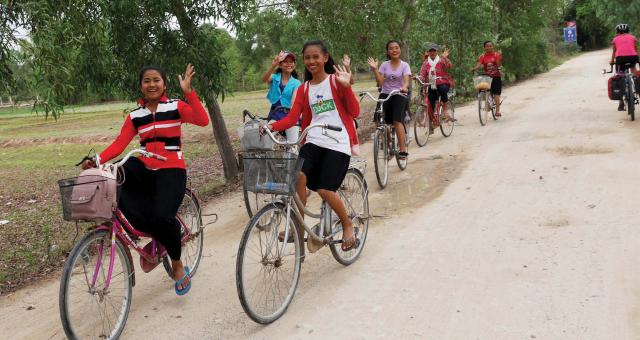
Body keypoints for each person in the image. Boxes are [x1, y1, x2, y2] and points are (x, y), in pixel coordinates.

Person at [82, 64, 209, 295]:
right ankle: (153, 234)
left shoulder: (176, 106)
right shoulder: (135, 115)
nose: (152, 84)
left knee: (162, 216)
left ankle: (178, 265)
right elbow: (120, 143)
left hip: (172, 168)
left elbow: (202, 120)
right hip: (146, 167)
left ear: (164, 84)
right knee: (119, 171)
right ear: (141, 86)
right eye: (147, 81)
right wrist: (97, 159)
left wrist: (189, 92)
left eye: (156, 80)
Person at [266, 40, 361, 251]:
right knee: (297, 176)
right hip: (314, 140)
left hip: (338, 142)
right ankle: (298, 227)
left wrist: (346, 89)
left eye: (316, 56)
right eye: (307, 57)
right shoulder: (304, 89)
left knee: (325, 190)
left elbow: (355, 112)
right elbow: (292, 118)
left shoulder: (336, 82)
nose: (311, 61)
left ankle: (347, 224)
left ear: (325, 58)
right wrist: (271, 126)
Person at [367, 40, 411, 159]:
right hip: (385, 94)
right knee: (378, 121)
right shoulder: (384, 65)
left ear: (400, 50)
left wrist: (404, 87)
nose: (394, 50)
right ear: (388, 51)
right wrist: (375, 69)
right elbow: (380, 82)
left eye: (396, 47)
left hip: (399, 94)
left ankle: (402, 150)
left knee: (397, 121)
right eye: (391, 48)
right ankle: (388, 144)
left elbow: (406, 80)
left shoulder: (404, 65)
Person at [262, 51, 302, 142]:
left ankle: (293, 153)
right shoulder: (275, 77)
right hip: (275, 114)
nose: (289, 64)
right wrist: (273, 65)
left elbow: (294, 103)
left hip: (290, 115)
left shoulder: (296, 83)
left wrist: (292, 116)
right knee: (267, 136)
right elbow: (264, 79)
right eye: (285, 62)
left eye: (291, 62)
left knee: (292, 144)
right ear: (280, 65)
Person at [419, 43, 454, 133]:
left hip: (443, 82)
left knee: (442, 89)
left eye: (434, 50)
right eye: (430, 51)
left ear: (436, 51)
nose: (432, 52)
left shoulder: (442, 60)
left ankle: (446, 110)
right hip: (431, 85)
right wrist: (419, 78)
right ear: (428, 52)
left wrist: (446, 58)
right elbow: (423, 74)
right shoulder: (426, 63)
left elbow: (450, 66)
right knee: (430, 103)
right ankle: (431, 124)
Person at [610, 24, 638, 111]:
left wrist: (612, 61)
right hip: (633, 57)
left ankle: (621, 102)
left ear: (617, 32)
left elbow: (614, 52)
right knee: (634, 71)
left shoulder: (615, 39)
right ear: (628, 31)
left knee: (619, 76)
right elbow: (636, 49)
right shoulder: (633, 37)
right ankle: (637, 85)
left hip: (620, 59)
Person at [472, 41, 503, 117]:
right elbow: (479, 64)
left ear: (493, 46)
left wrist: (499, 58)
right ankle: (487, 103)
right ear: (484, 47)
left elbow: (499, 65)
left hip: (496, 76)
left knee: (496, 93)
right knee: (483, 89)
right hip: (487, 77)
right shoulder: (482, 56)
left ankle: (497, 111)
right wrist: (474, 68)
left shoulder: (496, 54)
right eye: (487, 46)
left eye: (490, 46)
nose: (489, 47)